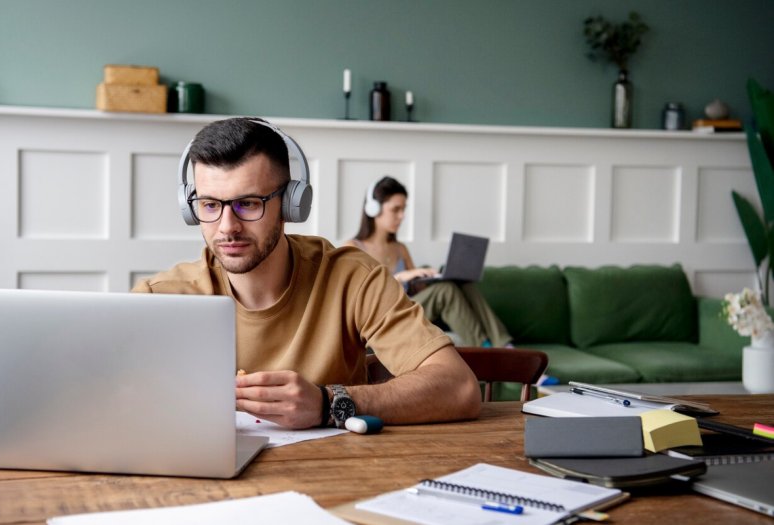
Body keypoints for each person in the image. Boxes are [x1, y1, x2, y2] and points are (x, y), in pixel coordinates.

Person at [132, 117, 480, 430]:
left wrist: (329, 404)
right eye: (210, 205)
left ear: (290, 206)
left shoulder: (353, 278)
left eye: (248, 203)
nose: (227, 227)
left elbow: (459, 387)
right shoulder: (158, 297)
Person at [346, 176, 511, 348]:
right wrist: (400, 277)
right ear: (373, 209)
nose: (401, 216)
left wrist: (431, 277)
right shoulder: (353, 248)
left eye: (403, 209)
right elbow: (356, 298)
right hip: (383, 316)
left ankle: (505, 345)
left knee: (462, 285)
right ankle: (487, 349)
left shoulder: (400, 248)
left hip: (410, 307)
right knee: (445, 292)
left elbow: (418, 291)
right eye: (395, 209)